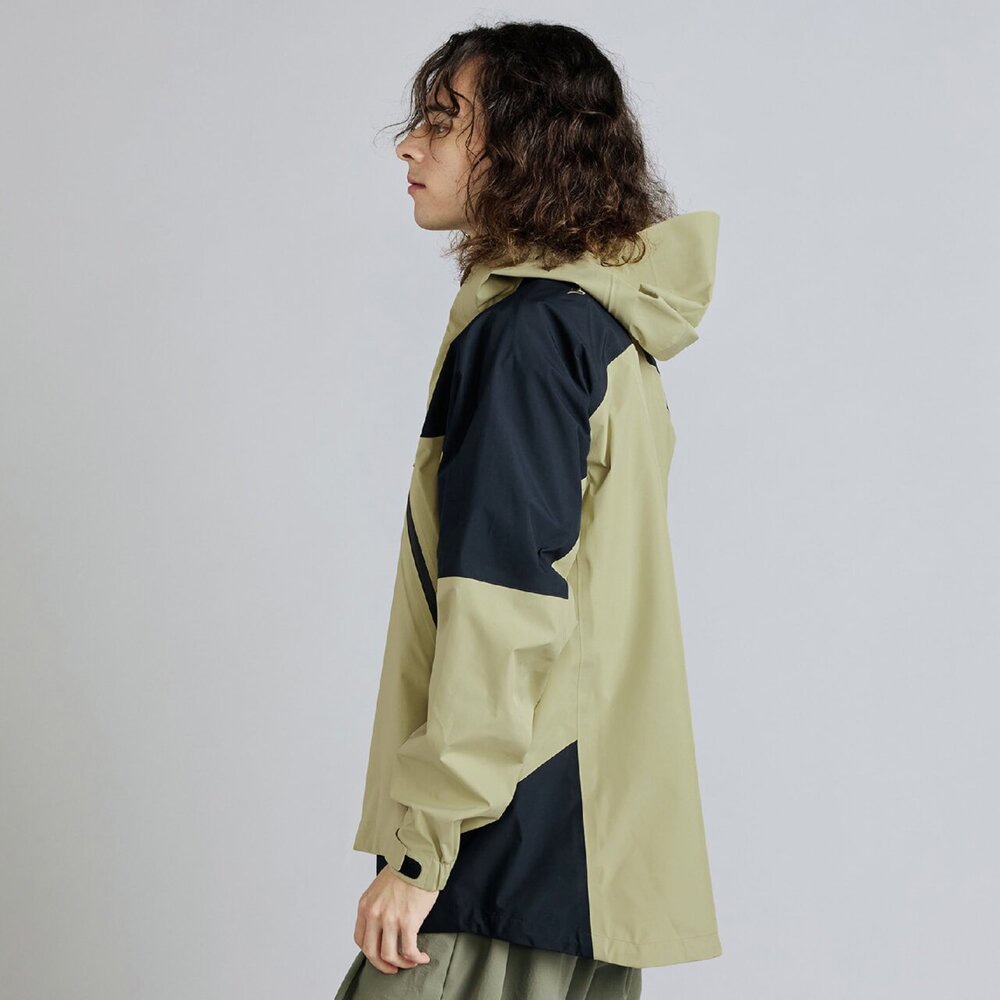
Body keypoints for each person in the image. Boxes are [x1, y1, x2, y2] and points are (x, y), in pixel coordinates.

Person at [335, 19, 722, 1000]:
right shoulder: (599, 329)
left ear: (523, 143)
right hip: (586, 845)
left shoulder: (528, 336)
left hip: (499, 844)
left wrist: (421, 846)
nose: (408, 145)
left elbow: (505, 606)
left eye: (441, 121)